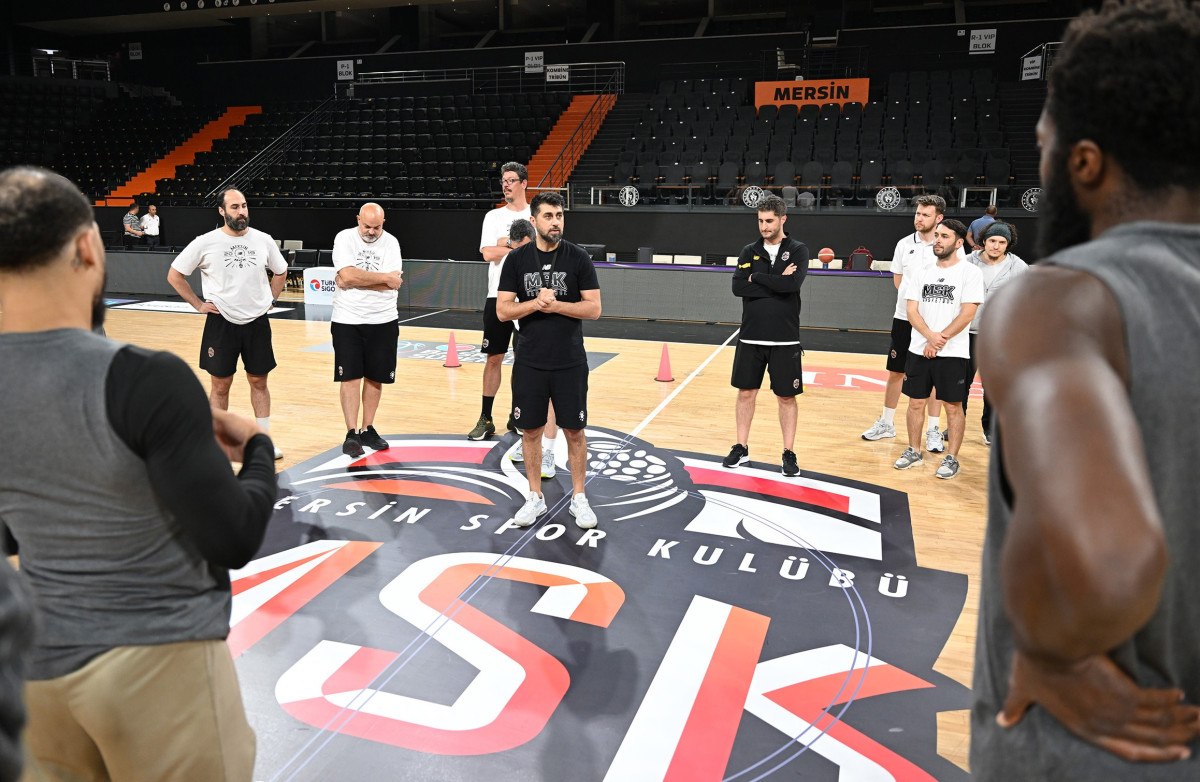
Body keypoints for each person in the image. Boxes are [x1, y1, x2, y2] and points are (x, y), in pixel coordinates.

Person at [971, 0, 1200, 775]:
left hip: (1097, 753)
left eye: (1045, 144)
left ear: (1085, 164)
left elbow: (1106, 561)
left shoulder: (1058, 298)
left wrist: (1053, 651)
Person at [0, 166, 277, 781]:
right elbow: (233, 536)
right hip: (159, 662)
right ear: (87, 247)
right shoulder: (144, 377)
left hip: (35, 671)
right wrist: (259, 448)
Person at [496, 192, 602, 530]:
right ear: (534, 221)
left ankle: (579, 497)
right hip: (530, 359)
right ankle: (534, 497)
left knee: (575, 431)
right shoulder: (516, 260)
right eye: (548, 216)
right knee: (530, 432)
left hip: (570, 360)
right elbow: (503, 311)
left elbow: (594, 309)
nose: (556, 222)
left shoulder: (578, 257)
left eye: (559, 216)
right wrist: (535, 304)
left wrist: (556, 306)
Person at [167, 187, 288, 459]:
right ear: (221, 211)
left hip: (257, 322)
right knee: (220, 385)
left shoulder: (263, 239)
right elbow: (175, 275)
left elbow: (281, 271)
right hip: (221, 323)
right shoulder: (205, 242)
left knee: (259, 381)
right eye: (234, 207)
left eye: (243, 206)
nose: (241, 211)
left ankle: (263, 441)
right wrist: (198, 304)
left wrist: (271, 299)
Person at [860, 194, 960, 451]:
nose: (919, 218)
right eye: (918, 213)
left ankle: (933, 429)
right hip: (905, 318)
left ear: (939, 218)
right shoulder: (904, 244)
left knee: (935, 376)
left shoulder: (948, 244)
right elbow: (899, 282)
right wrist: (914, 307)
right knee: (896, 371)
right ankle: (886, 422)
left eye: (926, 215)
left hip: (937, 322)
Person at [722, 194, 810, 477]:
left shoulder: (798, 250)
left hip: (785, 339)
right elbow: (738, 287)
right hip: (750, 337)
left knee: (786, 397)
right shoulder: (749, 251)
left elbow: (791, 286)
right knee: (745, 393)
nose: (764, 226)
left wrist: (758, 278)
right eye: (760, 221)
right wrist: (777, 280)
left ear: (783, 219)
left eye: (769, 221)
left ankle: (788, 452)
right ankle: (741, 446)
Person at [891, 218, 982, 479]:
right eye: (937, 236)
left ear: (959, 242)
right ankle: (914, 450)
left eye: (944, 236)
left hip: (952, 352)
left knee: (953, 406)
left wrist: (940, 340)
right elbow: (911, 310)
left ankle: (952, 457)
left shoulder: (970, 273)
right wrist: (930, 337)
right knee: (915, 402)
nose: (937, 241)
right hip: (919, 348)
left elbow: (968, 313)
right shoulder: (921, 272)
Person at [331, 202, 403, 458]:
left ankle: (367, 429)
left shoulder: (391, 243)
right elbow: (348, 276)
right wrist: (382, 278)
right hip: (347, 319)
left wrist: (354, 280)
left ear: (383, 224)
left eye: (377, 227)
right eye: (367, 226)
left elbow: (393, 283)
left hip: (384, 319)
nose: (372, 232)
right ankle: (351, 433)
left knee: (375, 377)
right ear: (358, 220)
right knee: (350, 377)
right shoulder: (344, 238)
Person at [964, 220, 1027, 445]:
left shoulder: (1018, 267)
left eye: (1002, 242)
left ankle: (989, 429)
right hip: (965, 333)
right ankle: (954, 425)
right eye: (992, 241)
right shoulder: (967, 262)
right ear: (984, 241)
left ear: (1008, 244)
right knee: (960, 384)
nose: (996, 246)